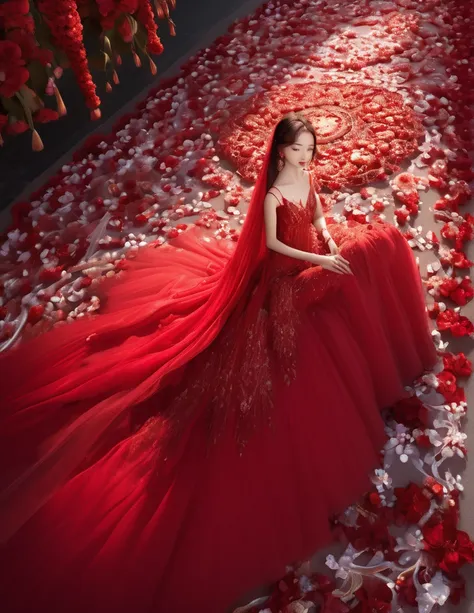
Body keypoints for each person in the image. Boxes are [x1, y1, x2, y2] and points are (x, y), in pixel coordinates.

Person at [0, 113, 436, 613]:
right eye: (299, 150)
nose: (306, 156)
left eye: (310, 148)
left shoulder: (306, 183)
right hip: (284, 281)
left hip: (314, 264)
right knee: (242, 399)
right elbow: (274, 246)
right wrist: (316, 265)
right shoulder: (273, 197)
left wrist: (331, 246)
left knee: (358, 257)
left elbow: (316, 219)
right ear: (279, 154)